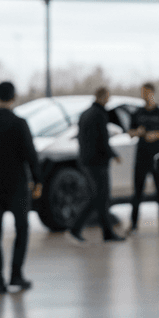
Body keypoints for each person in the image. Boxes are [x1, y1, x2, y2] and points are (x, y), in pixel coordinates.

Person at [0, 82, 42, 295]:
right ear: (14, 97)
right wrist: (38, 180)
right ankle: (16, 274)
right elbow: (30, 154)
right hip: (17, 186)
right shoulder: (19, 123)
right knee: (22, 229)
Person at [68, 86, 125, 244]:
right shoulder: (100, 114)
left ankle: (106, 232)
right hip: (98, 162)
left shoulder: (85, 114)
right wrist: (113, 155)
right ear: (104, 97)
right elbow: (102, 140)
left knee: (99, 197)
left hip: (85, 160)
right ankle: (77, 228)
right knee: (100, 197)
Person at [128, 82, 159, 234]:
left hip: (157, 158)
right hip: (141, 157)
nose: (144, 95)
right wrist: (137, 132)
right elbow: (130, 132)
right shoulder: (137, 113)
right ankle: (133, 225)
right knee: (137, 192)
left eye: (146, 92)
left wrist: (156, 135)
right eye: (142, 93)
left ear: (152, 93)